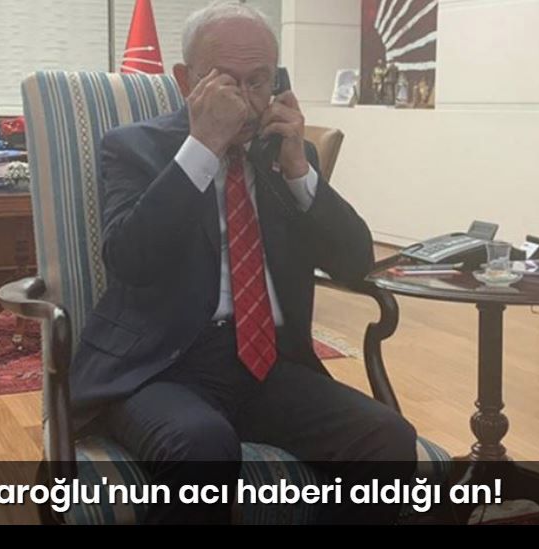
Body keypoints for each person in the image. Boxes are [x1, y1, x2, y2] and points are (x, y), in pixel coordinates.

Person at [70, 1, 418, 524]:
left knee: (387, 438)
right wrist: (204, 145)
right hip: (162, 367)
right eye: (226, 82)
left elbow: (354, 264)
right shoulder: (133, 148)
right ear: (186, 80)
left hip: (271, 365)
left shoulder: (285, 155)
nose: (246, 100)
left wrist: (298, 170)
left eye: (259, 81)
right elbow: (130, 260)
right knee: (201, 447)